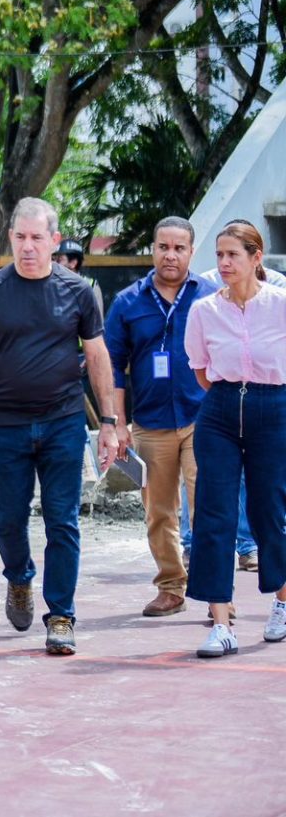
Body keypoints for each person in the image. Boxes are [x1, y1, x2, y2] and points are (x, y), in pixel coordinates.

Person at [0, 198, 118, 656]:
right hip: (4, 426)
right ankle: (19, 578)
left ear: (54, 239)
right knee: (7, 520)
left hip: (63, 424)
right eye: (20, 237)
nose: (28, 247)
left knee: (62, 522)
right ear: (9, 237)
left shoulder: (78, 292)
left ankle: (62, 615)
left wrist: (108, 422)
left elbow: (98, 356)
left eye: (37, 238)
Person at [104, 217, 218, 617]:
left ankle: (216, 594)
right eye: (163, 247)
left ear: (191, 251)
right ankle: (171, 587)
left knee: (207, 506)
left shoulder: (209, 296)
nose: (170, 255)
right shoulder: (128, 302)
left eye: (179, 248)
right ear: (153, 249)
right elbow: (113, 367)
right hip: (150, 422)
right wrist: (117, 423)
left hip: (204, 418)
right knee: (159, 513)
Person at [184, 220, 286, 659]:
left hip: (274, 408)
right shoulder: (204, 310)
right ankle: (221, 622)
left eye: (233, 255)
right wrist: (234, 396)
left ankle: (281, 603)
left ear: (255, 258)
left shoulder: (281, 305)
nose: (223, 263)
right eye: (220, 255)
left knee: (270, 513)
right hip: (221, 412)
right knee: (213, 514)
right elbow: (201, 370)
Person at [54, 238, 105, 315]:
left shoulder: (91, 286)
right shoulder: (50, 285)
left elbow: (97, 323)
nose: (55, 263)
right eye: (54, 259)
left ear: (73, 263)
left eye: (59, 259)